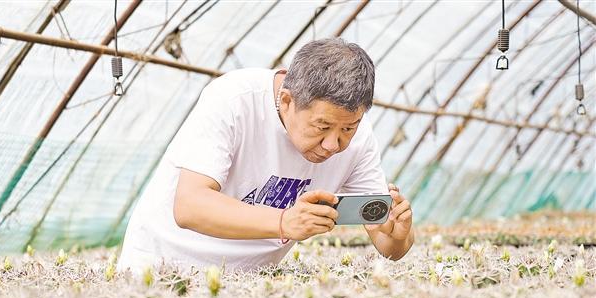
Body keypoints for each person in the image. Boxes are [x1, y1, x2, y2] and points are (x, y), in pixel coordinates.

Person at [118, 38, 414, 272]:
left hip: (249, 284)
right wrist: (285, 221)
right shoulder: (234, 100)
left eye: (348, 128)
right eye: (322, 127)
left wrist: (399, 236)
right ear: (286, 100)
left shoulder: (360, 139)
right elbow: (190, 205)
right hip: (162, 269)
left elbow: (388, 244)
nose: (333, 144)